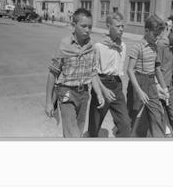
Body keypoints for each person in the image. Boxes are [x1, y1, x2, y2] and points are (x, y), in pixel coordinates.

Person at [45, 8, 105, 138]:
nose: (87, 30)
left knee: (77, 128)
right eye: (83, 26)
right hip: (66, 93)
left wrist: (99, 94)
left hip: (84, 95)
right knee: (73, 135)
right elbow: (52, 74)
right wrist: (49, 102)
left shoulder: (92, 47)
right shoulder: (64, 45)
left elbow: (92, 73)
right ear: (73, 26)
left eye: (90, 26)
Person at [88, 12, 131, 137]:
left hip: (116, 85)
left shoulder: (122, 45)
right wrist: (103, 90)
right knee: (94, 125)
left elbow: (119, 69)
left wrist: (118, 85)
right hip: (101, 85)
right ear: (108, 26)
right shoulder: (99, 47)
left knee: (125, 124)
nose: (121, 29)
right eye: (118, 26)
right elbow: (93, 73)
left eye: (122, 26)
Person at [126, 15, 169, 137]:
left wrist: (164, 87)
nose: (157, 38)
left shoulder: (155, 46)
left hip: (151, 82)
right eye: (155, 35)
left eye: (158, 35)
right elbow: (129, 70)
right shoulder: (137, 46)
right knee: (133, 115)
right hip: (138, 81)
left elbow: (157, 68)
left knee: (157, 114)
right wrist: (139, 91)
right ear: (146, 31)